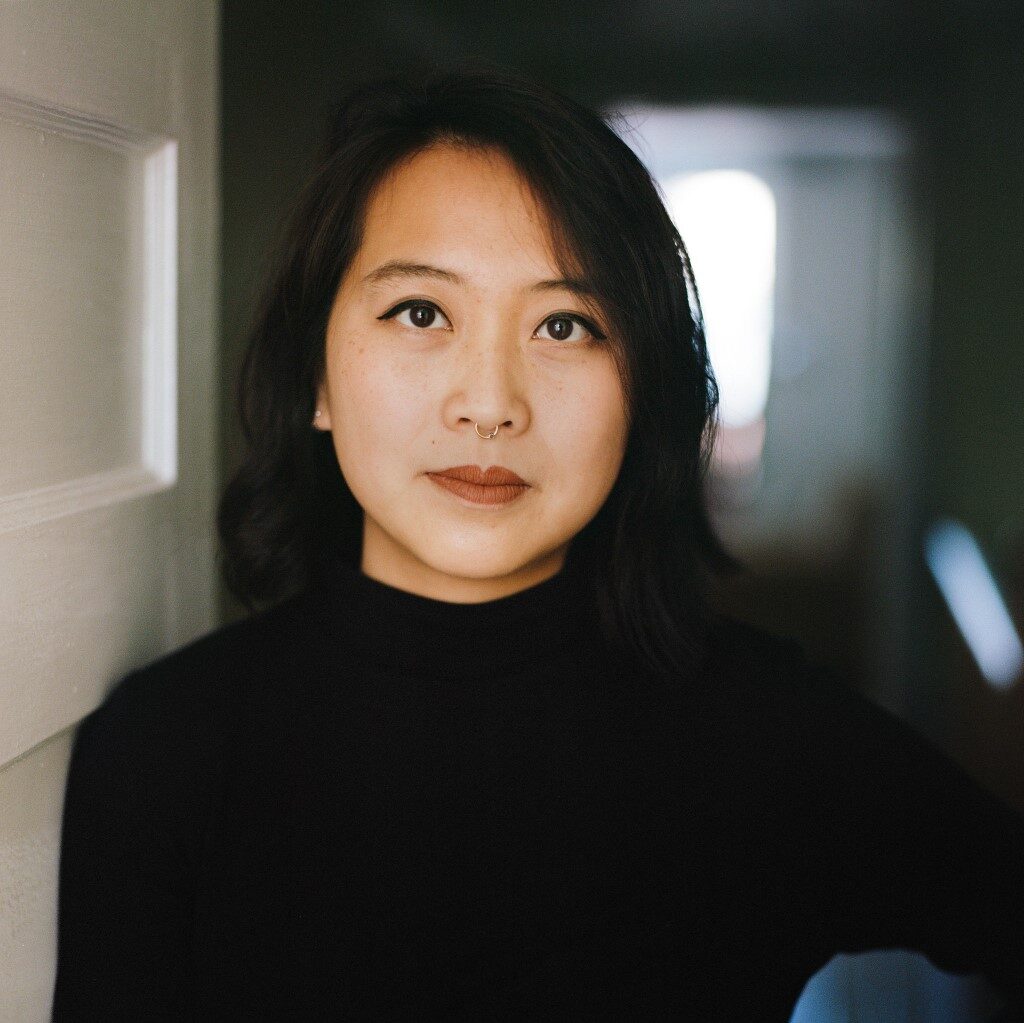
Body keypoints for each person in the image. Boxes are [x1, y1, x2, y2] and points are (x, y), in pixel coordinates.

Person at [53, 65, 1024, 1021]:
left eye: (565, 325)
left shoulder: (772, 740)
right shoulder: (169, 750)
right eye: (421, 312)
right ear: (314, 375)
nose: (490, 404)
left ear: (641, 387)